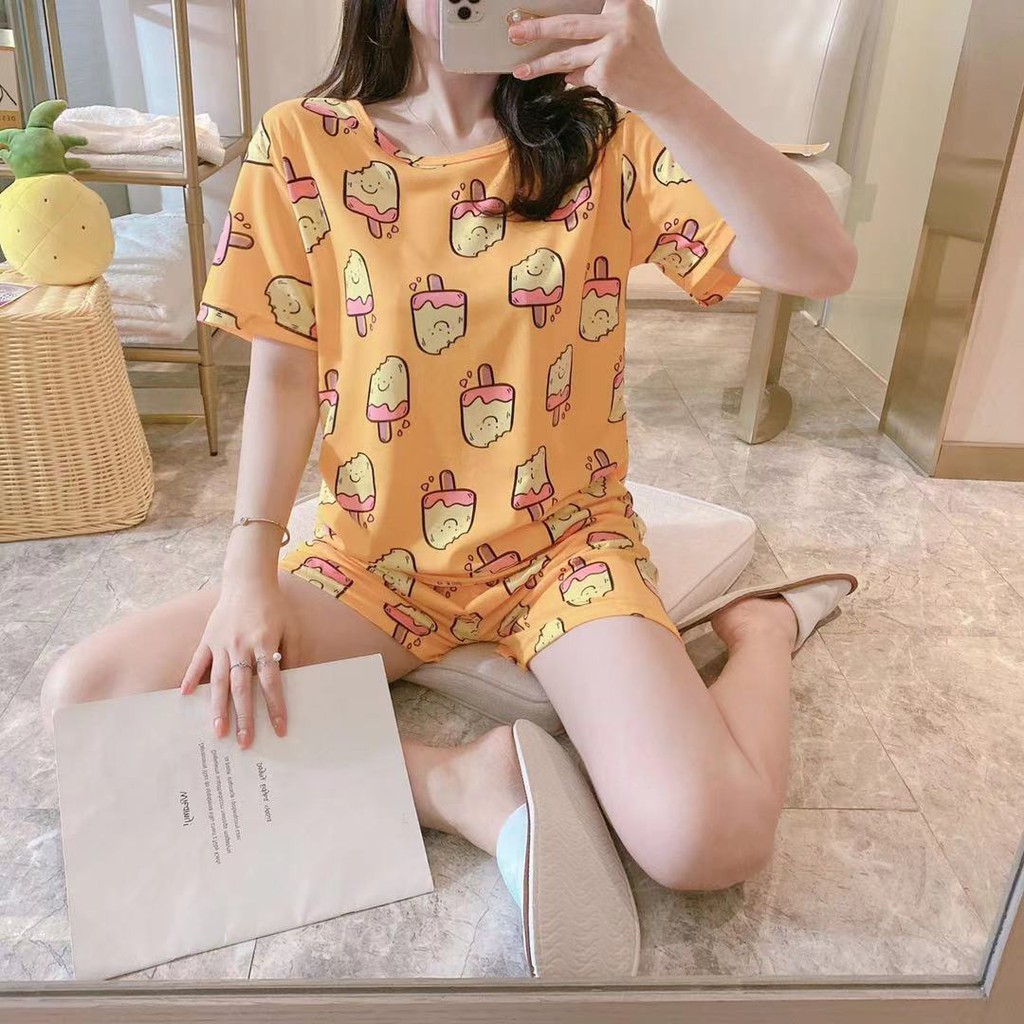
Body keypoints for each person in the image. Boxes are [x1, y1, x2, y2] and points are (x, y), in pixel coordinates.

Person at [40, 0, 858, 976]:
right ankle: (455, 785)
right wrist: (247, 569)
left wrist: (664, 89)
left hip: (564, 554)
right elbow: (284, 374)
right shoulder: (302, 143)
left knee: (708, 842)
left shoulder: (606, 144)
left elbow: (822, 262)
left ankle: (760, 630)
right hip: (369, 563)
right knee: (90, 698)